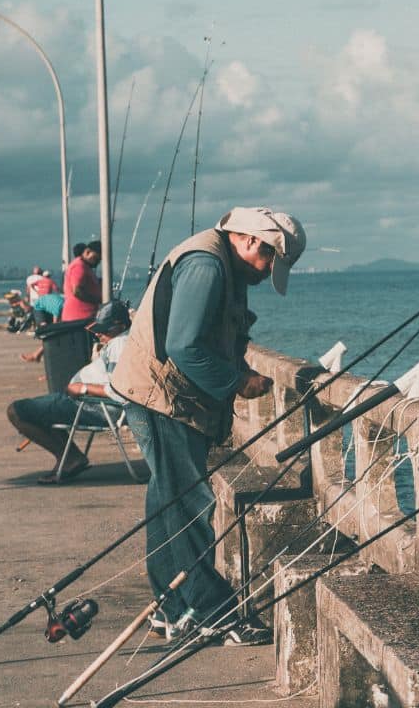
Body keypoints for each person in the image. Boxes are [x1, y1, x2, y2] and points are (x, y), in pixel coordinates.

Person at [111, 206, 305, 646]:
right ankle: (212, 611)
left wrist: (235, 363)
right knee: (189, 503)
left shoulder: (228, 266)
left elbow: (221, 334)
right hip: (162, 399)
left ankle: (172, 608)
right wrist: (237, 381)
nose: (265, 275)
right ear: (252, 240)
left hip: (160, 397)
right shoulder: (206, 266)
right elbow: (184, 346)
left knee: (168, 502)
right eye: (269, 262)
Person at [7, 300, 131, 484]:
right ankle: (70, 457)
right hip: (87, 403)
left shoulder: (120, 344)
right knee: (37, 409)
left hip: (94, 407)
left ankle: (70, 458)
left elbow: (121, 390)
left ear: (120, 326)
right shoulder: (123, 339)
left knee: (17, 411)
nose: (98, 333)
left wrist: (82, 388)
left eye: (104, 329)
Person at [63, 241, 102, 322]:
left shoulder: (85, 266)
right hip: (79, 318)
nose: (98, 262)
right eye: (96, 258)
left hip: (83, 317)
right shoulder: (79, 266)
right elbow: (77, 291)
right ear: (88, 252)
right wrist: (98, 300)